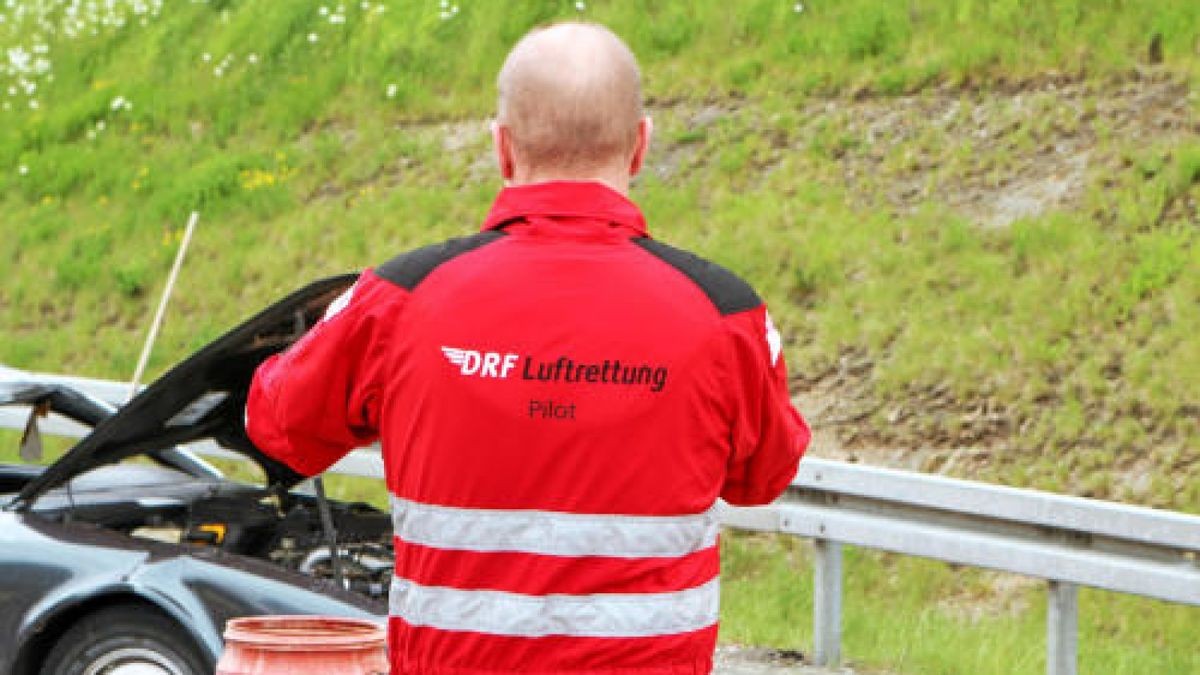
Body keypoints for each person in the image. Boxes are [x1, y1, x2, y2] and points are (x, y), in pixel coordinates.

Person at [246, 21, 810, 675]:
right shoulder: (725, 312)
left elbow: (279, 425)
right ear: (640, 146)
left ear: (502, 147)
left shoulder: (399, 299)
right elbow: (766, 475)